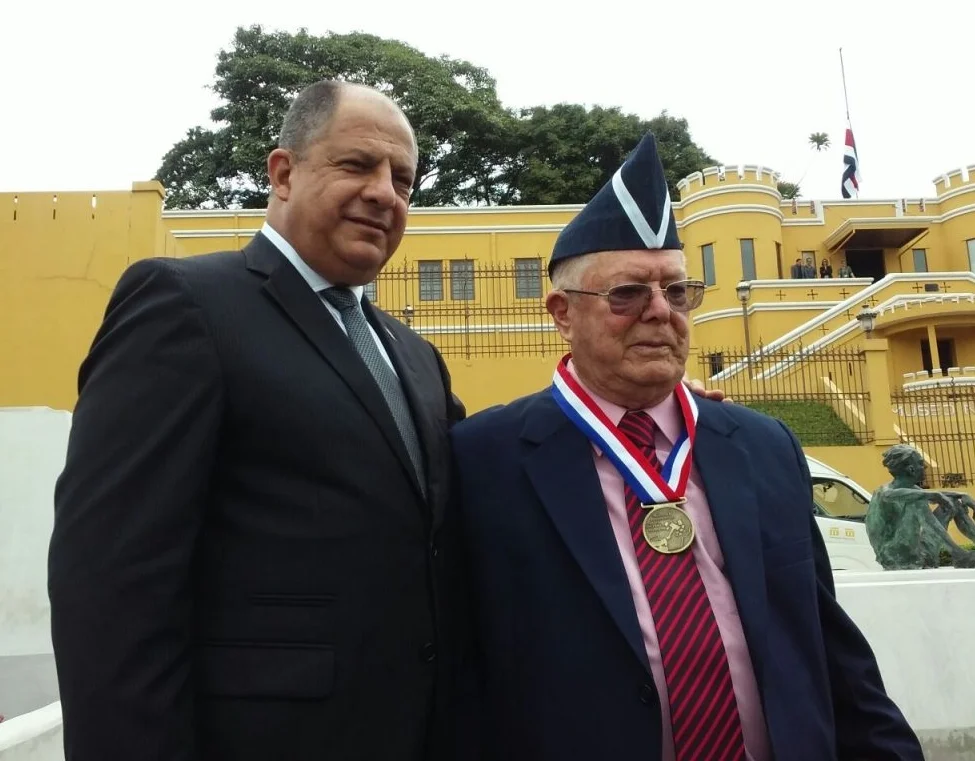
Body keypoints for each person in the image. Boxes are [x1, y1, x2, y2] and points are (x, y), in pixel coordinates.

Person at [449, 133, 924, 760]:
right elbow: (459, 674)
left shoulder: (762, 446)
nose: (659, 311)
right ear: (562, 313)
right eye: (627, 294)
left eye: (677, 292)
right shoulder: (484, 459)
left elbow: (828, 647)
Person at [48, 80, 468, 761]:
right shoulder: (185, 306)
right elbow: (111, 583)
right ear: (282, 172)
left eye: (402, 180)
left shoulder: (414, 356)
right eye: (357, 164)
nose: (384, 193)